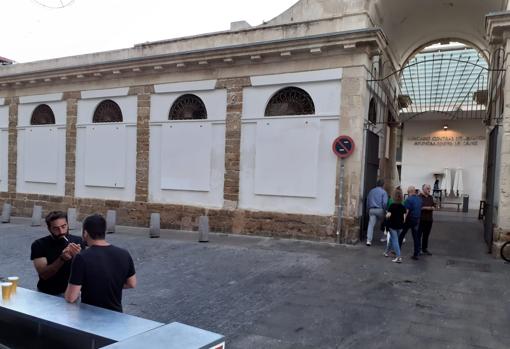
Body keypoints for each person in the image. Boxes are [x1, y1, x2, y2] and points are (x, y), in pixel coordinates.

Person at [65, 214, 136, 312]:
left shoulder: (82, 258)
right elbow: (132, 283)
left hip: (90, 316)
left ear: (85, 233)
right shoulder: (124, 253)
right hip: (116, 315)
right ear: (104, 231)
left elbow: (71, 297)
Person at [31, 211, 84, 295]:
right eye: (56, 228)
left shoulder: (78, 241)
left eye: (64, 226)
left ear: (67, 224)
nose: (61, 231)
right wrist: (62, 258)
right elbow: (44, 275)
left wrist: (79, 257)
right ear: (49, 229)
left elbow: (84, 271)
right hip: (47, 293)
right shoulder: (39, 245)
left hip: (72, 293)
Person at [398, 186, 423, 260]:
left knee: (402, 234)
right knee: (416, 237)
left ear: (409, 192)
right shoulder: (419, 199)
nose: (408, 194)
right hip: (417, 219)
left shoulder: (408, 199)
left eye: (408, 192)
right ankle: (416, 253)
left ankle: (397, 250)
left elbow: (406, 211)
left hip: (409, 219)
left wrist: (403, 220)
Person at [384, 189, 406, 263]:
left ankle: (399, 257)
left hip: (392, 226)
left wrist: (387, 215)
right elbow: (404, 218)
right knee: (392, 240)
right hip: (400, 226)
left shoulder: (392, 206)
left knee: (395, 241)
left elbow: (388, 216)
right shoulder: (403, 207)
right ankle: (386, 252)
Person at [365, 179, 388, 246]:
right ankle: (384, 237)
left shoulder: (371, 191)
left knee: (371, 225)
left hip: (372, 210)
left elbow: (368, 201)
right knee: (384, 223)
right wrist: (385, 210)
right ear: (383, 185)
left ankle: (368, 241)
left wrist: (367, 209)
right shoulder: (384, 192)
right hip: (380, 210)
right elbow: (385, 203)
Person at [419, 184, 435, 255]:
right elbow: (419, 207)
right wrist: (427, 208)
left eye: (430, 188)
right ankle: (418, 249)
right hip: (421, 219)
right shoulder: (419, 197)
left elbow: (434, 205)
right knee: (419, 235)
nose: (429, 190)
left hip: (429, 219)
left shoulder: (430, 197)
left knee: (426, 235)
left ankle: (424, 248)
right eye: (428, 188)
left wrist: (433, 207)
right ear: (423, 189)